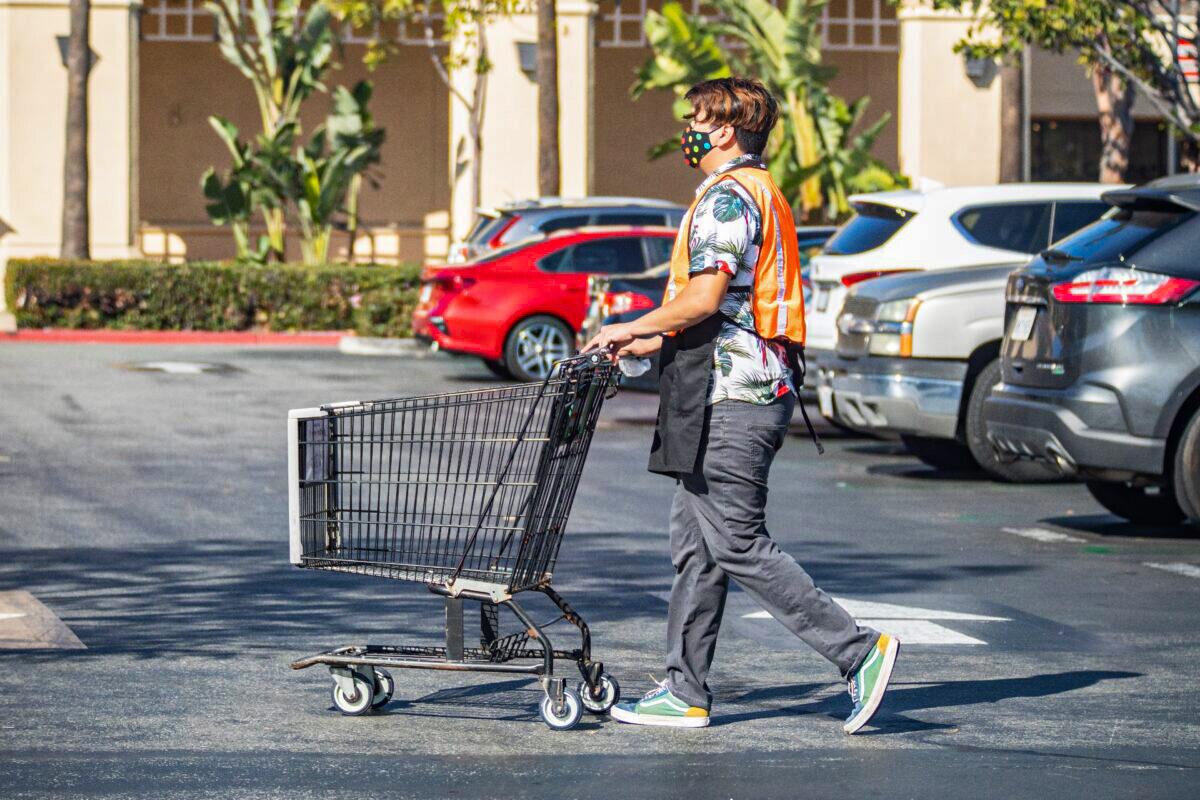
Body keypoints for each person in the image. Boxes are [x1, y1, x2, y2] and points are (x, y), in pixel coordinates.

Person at [583, 77, 899, 734]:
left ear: (725, 130)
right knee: (696, 547)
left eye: (696, 117)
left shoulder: (729, 198)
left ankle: (858, 650)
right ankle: (685, 690)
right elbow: (723, 307)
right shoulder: (757, 191)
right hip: (728, 389)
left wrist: (624, 325)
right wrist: (643, 341)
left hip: (732, 397)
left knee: (736, 540)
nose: (688, 127)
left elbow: (704, 298)